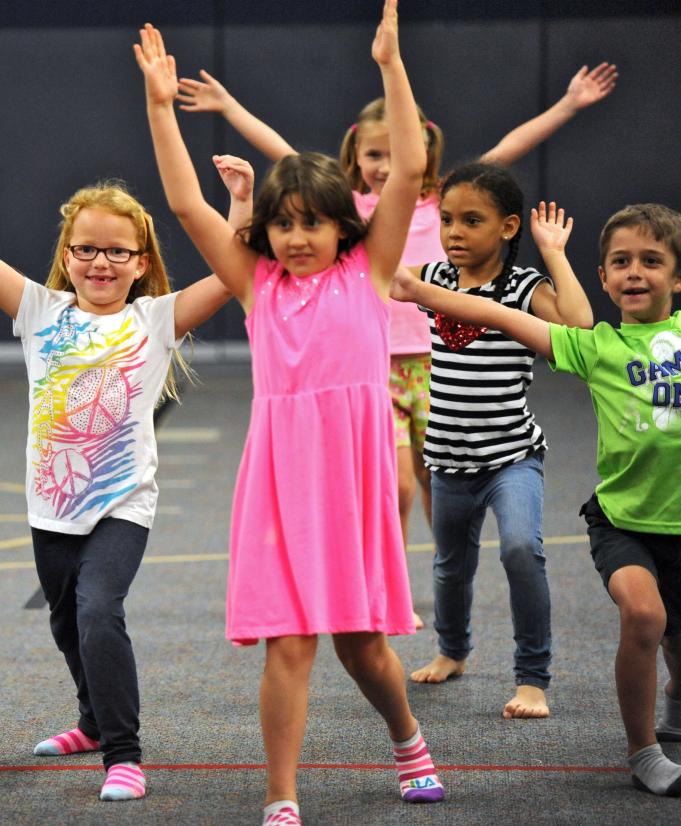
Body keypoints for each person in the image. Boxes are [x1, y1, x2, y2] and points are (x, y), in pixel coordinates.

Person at [178, 54, 617, 630]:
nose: (384, 168)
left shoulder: (437, 201)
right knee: (398, 481)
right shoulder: (351, 213)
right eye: (373, 155)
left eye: (394, 154)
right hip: (374, 372)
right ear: (354, 155)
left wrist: (568, 104)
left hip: (435, 366)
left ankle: (448, 572)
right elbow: (283, 154)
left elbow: (506, 151)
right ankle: (390, 582)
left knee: (444, 491)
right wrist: (228, 106)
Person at [138, 3, 444, 823]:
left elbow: (408, 168)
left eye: (312, 223)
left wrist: (390, 64)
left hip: (349, 478)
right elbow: (182, 204)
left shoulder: (368, 273)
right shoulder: (256, 287)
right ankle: (281, 796)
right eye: (281, 224)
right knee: (289, 642)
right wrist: (161, 109)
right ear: (264, 232)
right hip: (278, 483)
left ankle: (407, 740)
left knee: (362, 645)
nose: (296, 237)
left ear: (344, 224)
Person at [0, 149, 249, 803]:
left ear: (141, 263)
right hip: (49, 505)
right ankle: (90, 721)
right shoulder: (39, 310)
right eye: (86, 249)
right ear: (66, 255)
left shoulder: (155, 320)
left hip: (122, 502)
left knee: (100, 611)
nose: (100, 262)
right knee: (65, 624)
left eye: (116, 252)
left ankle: (123, 754)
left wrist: (239, 205)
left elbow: (232, 268)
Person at [389, 202, 681, 796]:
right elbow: (491, 311)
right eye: (620, 262)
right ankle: (643, 749)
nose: (634, 272)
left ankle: (674, 699)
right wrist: (419, 290)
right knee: (646, 616)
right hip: (622, 519)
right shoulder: (595, 347)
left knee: (676, 636)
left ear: (676, 277)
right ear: (601, 278)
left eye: (652, 262)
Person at [398, 165, 593, 719]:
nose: (454, 232)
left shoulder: (522, 287)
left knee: (519, 551)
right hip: (447, 459)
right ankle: (452, 651)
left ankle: (532, 678)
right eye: (447, 220)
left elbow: (577, 327)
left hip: (512, 458)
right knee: (449, 567)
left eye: (472, 221)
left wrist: (553, 253)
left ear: (508, 227)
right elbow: (377, 273)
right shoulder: (433, 275)